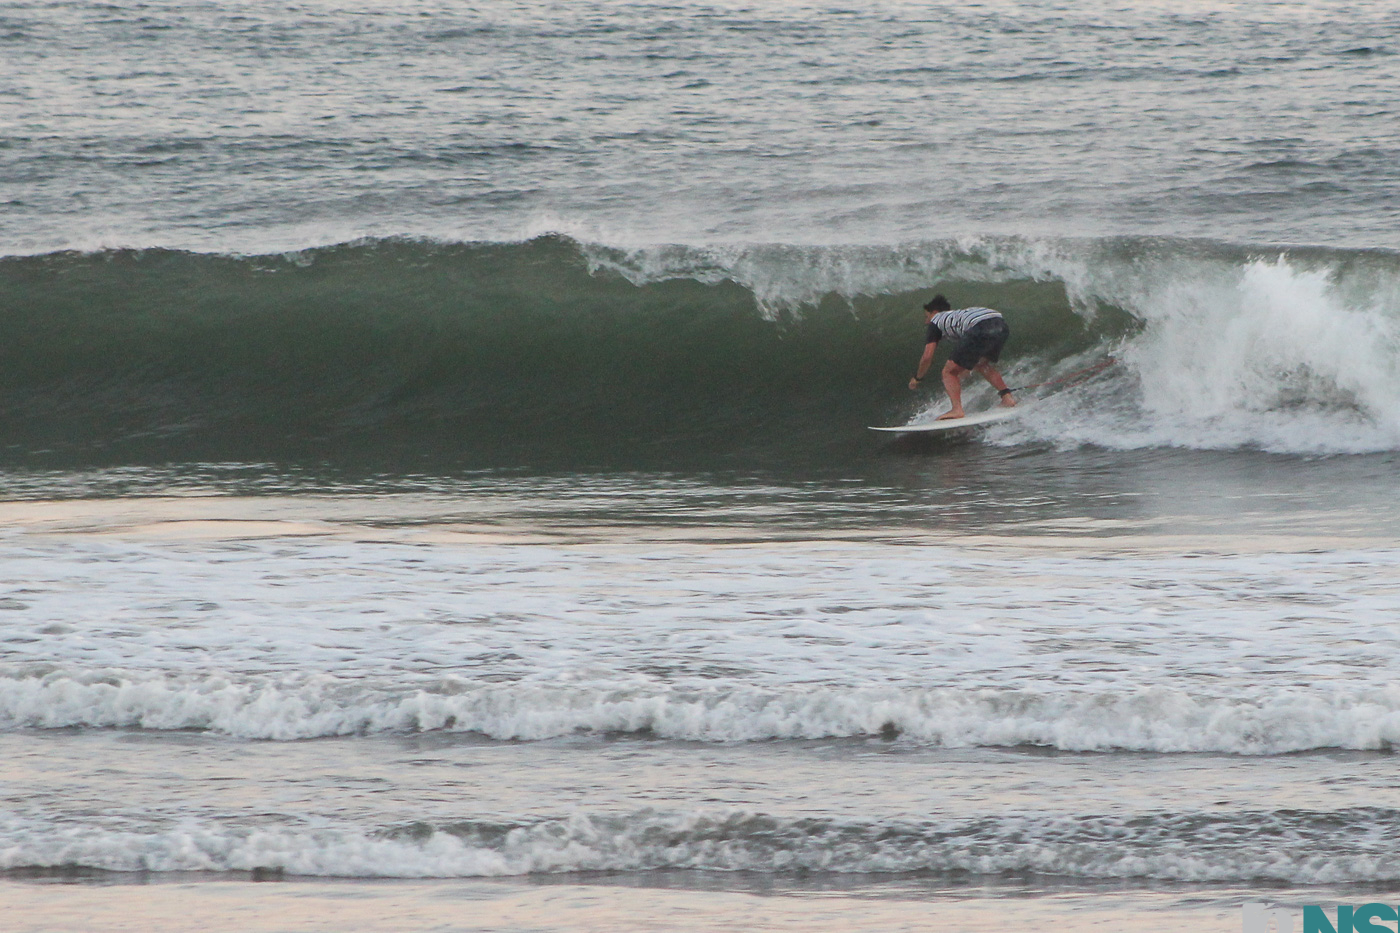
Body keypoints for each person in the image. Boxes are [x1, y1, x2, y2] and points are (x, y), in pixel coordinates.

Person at [908, 295, 1016, 420]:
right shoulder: (956, 316)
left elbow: (927, 357)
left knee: (948, 372)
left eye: (927, 317)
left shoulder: (936, 321)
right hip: (1001, 325)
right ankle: (1007, 398)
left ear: (935, 312)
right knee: (981, 365)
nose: (926, 322)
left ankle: (957, 410)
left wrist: (917, 378)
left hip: (980, 327)